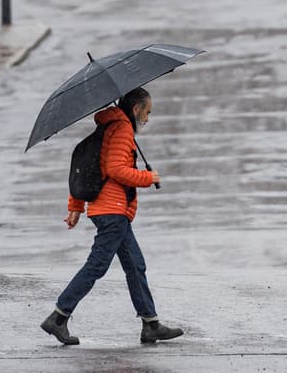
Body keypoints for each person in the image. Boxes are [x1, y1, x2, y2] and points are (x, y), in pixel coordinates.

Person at [41, 87, 184, 345]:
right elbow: (115, 170)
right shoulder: (121, 129)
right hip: (112, 210)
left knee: (135, 265)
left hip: (110, 209)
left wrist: (76, 206)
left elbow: (89, 166)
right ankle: (58, 317)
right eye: (147, 112)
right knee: (97, 265)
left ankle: (150, 323)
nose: (147, 119)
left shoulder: (109, 127)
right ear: (136, 109)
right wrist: (147, 177)